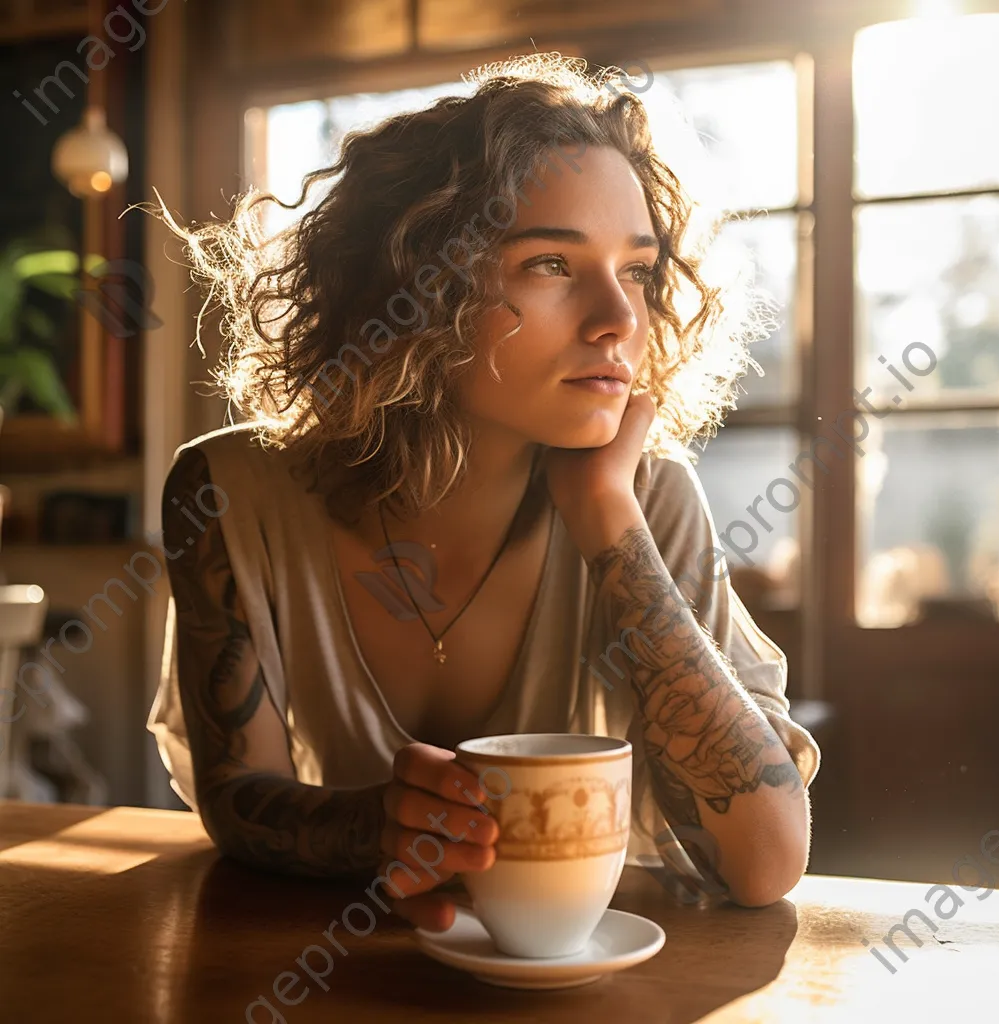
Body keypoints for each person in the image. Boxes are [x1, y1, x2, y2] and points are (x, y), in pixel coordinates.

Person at [147, 53, 820, 935]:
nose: (619, 319)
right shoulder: (227, 495)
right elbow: (239, 803)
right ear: (415, 284)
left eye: (641, 272)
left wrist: (607, 516)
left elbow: (766, 864)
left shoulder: (648, 499)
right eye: (549, 263)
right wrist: (367, 829)